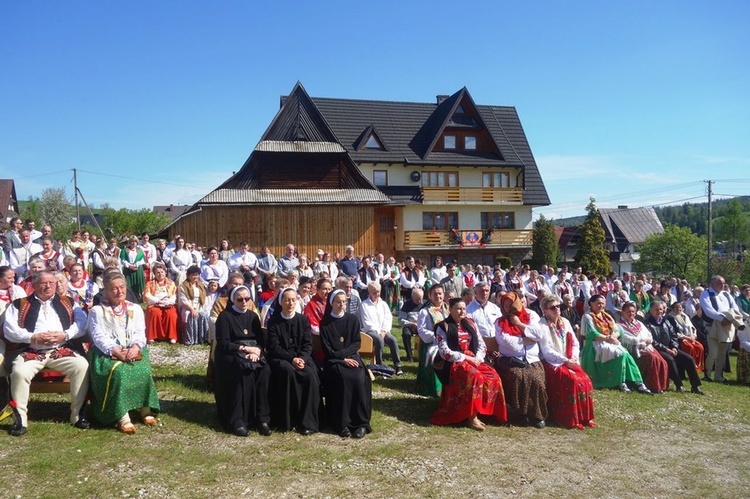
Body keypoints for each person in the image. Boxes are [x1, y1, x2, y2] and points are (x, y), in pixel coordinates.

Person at [3, 271, 89, 436]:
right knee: (20, 372)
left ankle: (78, 414)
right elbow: (9, 330)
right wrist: (33, 337)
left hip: (61, 349)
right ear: (33, 285)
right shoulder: (19, 304)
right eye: (43, 283)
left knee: (82, 366)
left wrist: (65, 335)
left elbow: (81, 323)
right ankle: (20, 418)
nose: (48, 286)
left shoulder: (68, 302)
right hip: (31, 350)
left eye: (52, 283)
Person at [86, 272, 160, 434]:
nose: (119, 292)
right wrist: (116, 351)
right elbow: (98, 336)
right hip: (105, 353)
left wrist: (135, 347)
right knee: (119, 372)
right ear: (105, 290)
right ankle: (122, 416)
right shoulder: (97, 311)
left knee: (143, 369)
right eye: (114, 289)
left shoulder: (135, 308)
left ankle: (144, 408)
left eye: (122, 287)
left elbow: (140, 332)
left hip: (132, 349)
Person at [430, 298, 507, 430]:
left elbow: (481, 343)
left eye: (464, 308)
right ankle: (472, 417)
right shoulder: (443, 326)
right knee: (475, 377)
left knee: (493, 376)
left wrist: (478, 357)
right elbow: (444, 352)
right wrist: (466, 358)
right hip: (454, 361)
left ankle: (491, 412)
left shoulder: (470, 323)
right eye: (458, 308)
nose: (462, 311)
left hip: (473, 357)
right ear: (450, 310)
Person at [214, 285, 271, 437]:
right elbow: (224, 344)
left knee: (264, 370)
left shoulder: (253, 316)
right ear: (233, 300)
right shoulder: (225, 317)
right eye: (240, 299)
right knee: (243, 371)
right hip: (231, 354)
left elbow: (260, 340)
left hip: (252, 353)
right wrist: (246, 350)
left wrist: (257, 351)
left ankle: (262, 418)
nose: (244, 302)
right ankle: (238, 419)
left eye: (247, 299)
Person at [266, 288, 320, 435]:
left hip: (302, 357)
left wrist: (302, 358)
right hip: (281, 358)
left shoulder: (302, 320)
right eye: (287, 300)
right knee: (288, 372)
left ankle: (307, 422)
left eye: (293, 300)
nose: (290, 303)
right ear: (281, 302)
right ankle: (288, 420)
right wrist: (292, 359)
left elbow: (308, 344)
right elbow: (274, 347)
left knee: (310, 375)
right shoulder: (274, 321)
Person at [319, 289, 372, 438]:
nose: (341, 304)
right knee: (343, 378)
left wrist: (348, 357)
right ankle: (341, 423)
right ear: (332, 303)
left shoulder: (353, 320)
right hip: (334, 360)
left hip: (352, 357)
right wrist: (343, 359)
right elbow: (327, 349)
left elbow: (356, 343)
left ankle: (360, 423)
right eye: (338, 301)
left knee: (359, 378)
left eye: (344, 301)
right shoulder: (325, 323)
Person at [538, 294, 595, 429]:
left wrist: (574, 357)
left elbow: (574, 342)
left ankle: (585, 416)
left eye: (558, 306)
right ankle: (571, 418)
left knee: (585, 379)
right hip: (552, 362)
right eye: (552, 307)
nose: (556, 309)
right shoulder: (542, 325)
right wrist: (564, 360)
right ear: (545, 310)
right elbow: (547, 350)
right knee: (571, 380)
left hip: (568, 359)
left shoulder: (565, 322)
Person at [494, 292, 548, 428]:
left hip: (531, 359)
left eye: (511, 304)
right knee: (518, 377)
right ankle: (520, 414)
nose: (508, 308)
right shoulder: (500, 322)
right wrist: (526, 340)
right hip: (510, 360)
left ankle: (537, 415)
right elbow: (505, 341)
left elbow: (539, 334)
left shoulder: (531, 316)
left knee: (536, 379)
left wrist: (519, 324)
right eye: (505, 305)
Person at [580, 294, 651, 393]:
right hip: (596, 344)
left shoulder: (606, 315)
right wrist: (608, 338)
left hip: (610, 341)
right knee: (621, 354)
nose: (601, 306)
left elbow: (617, 329)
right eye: (598, 303)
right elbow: (592, 333)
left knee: (626, 355)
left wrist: (613, 336)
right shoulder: (587, 316)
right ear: (591, 303)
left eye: (603, 304)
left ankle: (638, 382)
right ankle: (620, 382)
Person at [643, 301, 704, 394]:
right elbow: (651, 340)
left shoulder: (666, 321)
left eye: (660, 309)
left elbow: (673, 336)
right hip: (658, 350)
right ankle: (678, 384)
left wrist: (674, 347)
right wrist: (666, 349)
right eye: (656, 309)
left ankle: (695, 386)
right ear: (651, 310)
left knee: (689, 359)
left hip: (671, 348)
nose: (659, 311)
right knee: (670, 360)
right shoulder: (646, 323)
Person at [699, 275, 744, 382]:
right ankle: (708, 374)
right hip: (712, 325)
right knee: (713, 352)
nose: (723, 285)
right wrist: (721, 318)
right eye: (720, 283)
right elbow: (708, 310)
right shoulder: (706, 294)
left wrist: (729, 319)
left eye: (724, 283)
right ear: (712, 284)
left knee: (722, 353)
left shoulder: (726, 294)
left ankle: (719, 376)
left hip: (727, 325)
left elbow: (735, 308)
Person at [618, 301, 669, 394]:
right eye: (628, 311)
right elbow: (627, 339)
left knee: (662, 361)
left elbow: (649, 335)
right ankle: (652, 385)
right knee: (652, 359)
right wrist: (641, 342)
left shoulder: (639, 323)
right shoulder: (619, 325)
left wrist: (647, 341)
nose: (631, 314)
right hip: (633, 351)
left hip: (646, 347)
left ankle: (661, 386)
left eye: (633, 312)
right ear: (623, 312)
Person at [359, 281, 402, 375]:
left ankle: (398, 365)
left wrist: (384, 330)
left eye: (378, 292)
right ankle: (379, 365)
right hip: (370, 331)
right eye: (374, 292)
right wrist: (378, 332)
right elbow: (366, 322)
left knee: (393, 340)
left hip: (384, 331)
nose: (377, 294)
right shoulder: (364, 305)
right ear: (369, 292)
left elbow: (388, 318)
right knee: (379, 340)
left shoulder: (383, 304)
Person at [416, 283, 450, 397]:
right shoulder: (425, 312)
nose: (438, 296)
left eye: (440, 293)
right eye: (435, 294)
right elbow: (421, 329)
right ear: (429, 296)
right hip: (432, 344)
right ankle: (433, 389)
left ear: (443, 295)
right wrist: (437, 337)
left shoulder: (449, 310)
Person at [143, 262, 178, 344]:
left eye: (162, 272)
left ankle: (172, 336)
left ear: (165, 272)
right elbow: (147, 295)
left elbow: (174, 295)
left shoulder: (171, 283)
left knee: (171, 313)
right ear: (154, 274)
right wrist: (157, 301)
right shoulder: (150, 284)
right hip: (155, 304)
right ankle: (152, 336)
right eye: (157, 272)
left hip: (167, 303)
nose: (160, 274)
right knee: (154, 312)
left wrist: (167, 302)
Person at [669, 301, 705, 372]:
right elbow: (675, 332)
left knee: (700, 347)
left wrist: (694, 336)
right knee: (690, 348)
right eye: (676, 307)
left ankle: (698, 366)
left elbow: (692, 327)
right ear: (673, 309)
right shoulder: (671, 317)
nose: (679, 309)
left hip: (690, 337)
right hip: (681, 339)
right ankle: (690, 367)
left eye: (680, 307)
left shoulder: (685, 316)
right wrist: (686, 337)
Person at [178, 265, 210, 345]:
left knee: (203, 315)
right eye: (193, 275)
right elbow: (183, 300)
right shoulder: (183, 286)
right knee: (190, 315)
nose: (195, 277)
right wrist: (192, 309)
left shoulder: (201, 285)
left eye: (197, 275)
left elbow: (204, 298)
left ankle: (202, 339)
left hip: (199, 307)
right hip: (188, 307)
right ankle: (190, 339)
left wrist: (201, 309)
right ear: (188, 275)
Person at [398, 288, 424, 362]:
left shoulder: (425, 304)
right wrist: (410, 324)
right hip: (410, 326)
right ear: (412, 297)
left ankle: (422, 355)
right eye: (417, 299)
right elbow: (400, 320)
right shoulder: (406, 305)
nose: (419, 301)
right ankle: (409, 356)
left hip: (422, 326)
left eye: (420, 299)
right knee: (406, 334)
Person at [120, 236, 146, 301]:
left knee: (138, 283)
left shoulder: (140, 250)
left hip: (138, 269)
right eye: (132, 241)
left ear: (137, 242)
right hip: (128, 270)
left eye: (135, 241)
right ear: (129, 242)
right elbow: (123, 260)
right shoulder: (124, 250)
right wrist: (129, 266)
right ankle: (129, 298)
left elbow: (142, 260)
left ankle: (139, 298)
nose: (133, 243)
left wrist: (136, 265)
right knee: (129, 284)